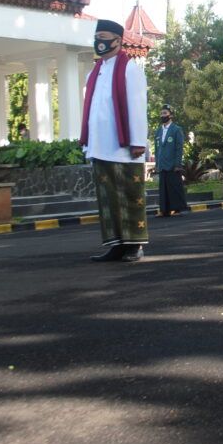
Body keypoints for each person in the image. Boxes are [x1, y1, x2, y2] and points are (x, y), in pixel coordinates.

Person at [81, 19, 148, 263]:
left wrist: (138, 141)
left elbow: (137, 107)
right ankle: (116, 244)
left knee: (129, 195)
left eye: (105, 37)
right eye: (97, 36)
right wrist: (87, 143)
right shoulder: (94, 72)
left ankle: (135, 245)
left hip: (124, 146)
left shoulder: (130, 69)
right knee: (108, 199)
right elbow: (91, 110)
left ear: (118, 41)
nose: (100, 42)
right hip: (99, 145)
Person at [154, 104, 188, 216]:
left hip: (173, 163)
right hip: (162, 163)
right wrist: (157, 164)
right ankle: (165, 210)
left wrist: (178, 163)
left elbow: (179, 148)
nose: (163, 115)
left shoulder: (176, 130)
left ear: (171, 115)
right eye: (161, 113)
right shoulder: (159, 131)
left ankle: (178, 209)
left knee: (175, 186)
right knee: (163, 188)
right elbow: (157, 148)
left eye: (165, 113)